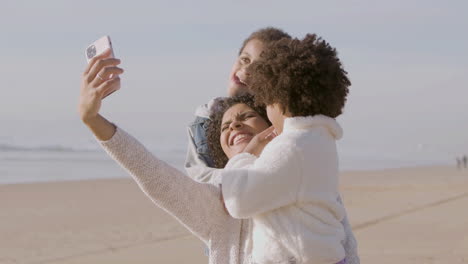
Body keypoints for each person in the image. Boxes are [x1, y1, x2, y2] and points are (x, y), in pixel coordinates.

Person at [185, 27, 359, 263]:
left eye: (258, 69)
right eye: (244, 60)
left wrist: (244, 158)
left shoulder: (292, 143)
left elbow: (238, 200)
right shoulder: (207, 121)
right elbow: (198, 185)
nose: (245, 71)